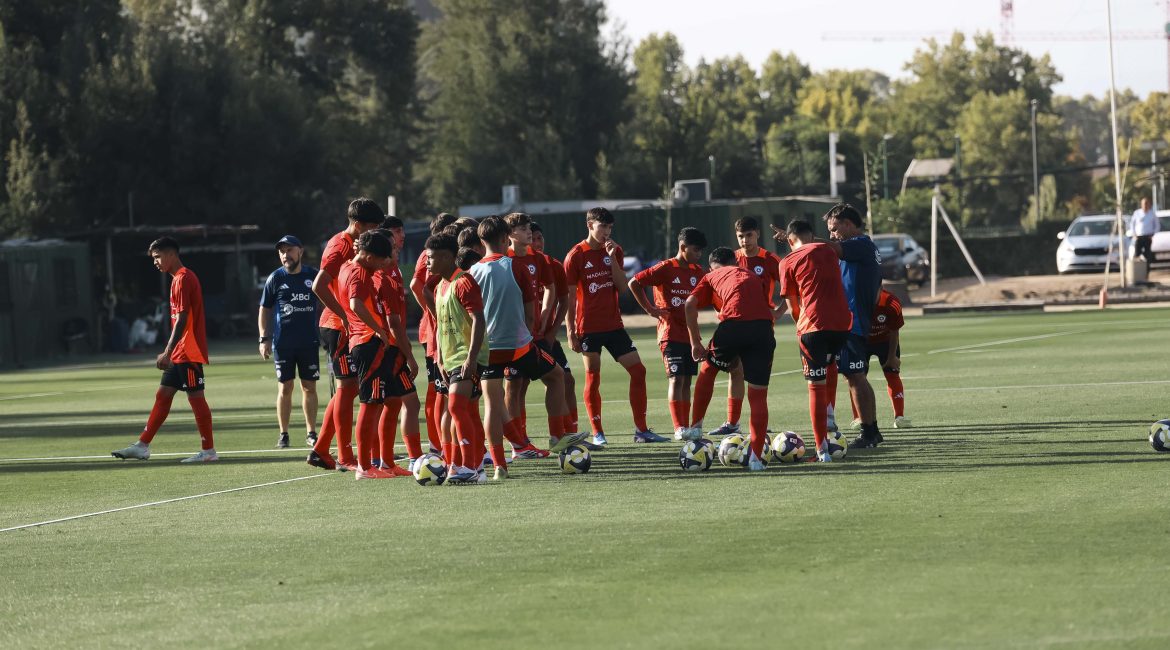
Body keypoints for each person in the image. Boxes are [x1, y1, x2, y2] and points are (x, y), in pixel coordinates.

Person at [471, 216, 579, 469]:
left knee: (492, 404)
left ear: (481, 241)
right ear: (504, 238)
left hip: (487, 348)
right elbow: (531, 311)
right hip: (518, 345)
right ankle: (556, 437)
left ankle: (500, 464)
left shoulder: (472, 272)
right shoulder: (515, 266)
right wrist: (530, 333)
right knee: (556, 376)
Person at [564, 207, 665, 444]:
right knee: (593, 376)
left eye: (610, 227)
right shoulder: (575, 255)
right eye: (603, 227)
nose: (607, 232)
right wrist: (570, 331)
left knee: (638, 371)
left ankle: (641, 431)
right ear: (590, 225)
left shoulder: (615, 251)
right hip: (588, 327)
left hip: (614, 325)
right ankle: (598, 433)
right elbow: (570, 297)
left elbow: (622, 288)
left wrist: (611, 259)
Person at [112, 237, 217, 463]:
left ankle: (208, 451)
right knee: (163, 395)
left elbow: (182, 319)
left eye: (158, 257)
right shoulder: (179, 279)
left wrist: (167, 352)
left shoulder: (183, 278)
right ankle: (142, 445)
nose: (155, 262)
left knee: (196, 398)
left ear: (171, 254)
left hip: (188, 351)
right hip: (180, 351)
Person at [307, 198, 384, 471]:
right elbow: (318, 285)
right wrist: (343, 315)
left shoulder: (356, 245)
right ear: (358, 224)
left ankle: (321, 450)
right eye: (372, 227)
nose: (375, 232)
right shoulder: (340, 246)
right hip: (337, 326)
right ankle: (344, 456)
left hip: (346, 325)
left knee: (348, 389)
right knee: (346, 388)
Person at [684, 247, 776, 471]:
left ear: (711, 267)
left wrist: (695, 342)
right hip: (764, 329)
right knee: (758, 394)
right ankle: (756, 460)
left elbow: (689, 304)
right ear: (736, 262)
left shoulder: (712, 275)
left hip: (734, 325)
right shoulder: (750, 274)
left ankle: (695, 428)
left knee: (708, 370)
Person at [777, 220, 853, 462]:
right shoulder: (828, 251)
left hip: (813, 326)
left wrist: (801, 327)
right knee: (830, 364)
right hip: (842, 325)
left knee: (815, 386)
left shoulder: (787, 261)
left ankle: (822, 450)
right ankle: (829, 416)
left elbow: (793, 306)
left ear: (790, 241)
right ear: (812, 235)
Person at [704, 217, 785, 438]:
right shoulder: (731, 259)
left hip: (760, 327)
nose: (744, 240)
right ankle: (732, 422)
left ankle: (758, 423)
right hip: (734, 324)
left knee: (756, 378)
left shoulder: (769, 259)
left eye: (749, 235)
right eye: (740, 236)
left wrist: (779, 311)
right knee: (735, 371)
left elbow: (790, 286)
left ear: (757, 234)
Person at [812, 203, 883, 449]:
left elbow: (832, 248)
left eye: (835, 229)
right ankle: (872, 430)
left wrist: (804, 239)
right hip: (851, 320)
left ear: (849, 224)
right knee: (855, 376)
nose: (832, 235)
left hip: (853, 321)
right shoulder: (857, 249)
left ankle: (869, 433)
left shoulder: (861, 244)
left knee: (855, 376)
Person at [337, 230, 407, 479]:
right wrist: (378, 330)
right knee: (370, 403)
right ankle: (365, 467)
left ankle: (386, 463)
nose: (383, 264)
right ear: (368, 256)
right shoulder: (358, 272)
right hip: (367, 344)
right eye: (381, 259)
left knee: (392, 400)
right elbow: (355, 304)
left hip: (371, 343)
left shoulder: (350, 268)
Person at [629, 227, 708, 441]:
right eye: (696, 250)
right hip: (670, 333)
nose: (699, 254)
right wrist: (650, 309)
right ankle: (678, 427)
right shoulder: (665, 268)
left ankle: (687, 426)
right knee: (676, 378)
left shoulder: (698, 271)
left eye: (701, 251)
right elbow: (634, 282)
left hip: (690, 335)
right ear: (683, 247)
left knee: (687, 381)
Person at [428, 234, 493, 481]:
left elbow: (479, 319)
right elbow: (439, 324)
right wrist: (439, 357)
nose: (427, 262)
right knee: (469, 411)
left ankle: (468, 467)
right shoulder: (440, 286)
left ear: (446, 257)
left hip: (468, 357)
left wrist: (471, 358)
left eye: (431, 258)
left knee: (455, 406)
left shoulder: (464, 282)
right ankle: (476, 467)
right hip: (450, 359)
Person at [258, 235, 320, 449]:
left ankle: (311, 433)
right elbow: (264, 308)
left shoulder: (313, 276)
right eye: (282, 251)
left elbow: (329, 300)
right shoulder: (275, 278)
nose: (286, 255)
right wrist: (264, 338)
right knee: (285, 387)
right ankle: (283, 434)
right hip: (283, 343)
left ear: (300, 251)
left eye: (290, 250)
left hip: (308, 341)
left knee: (309, 387)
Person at [373, 217, 425, 466]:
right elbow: (393, 323)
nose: (399, 242)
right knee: (388, 404)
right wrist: (410, 356)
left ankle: (389, 459)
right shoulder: (384, 277)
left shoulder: (391, 272)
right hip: (390, 350)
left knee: (397, 403)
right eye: (395, 235)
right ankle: (379, 459)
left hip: (393, 348)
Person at [410, 213, 459, 460]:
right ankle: (438, 445)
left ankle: (443, 444)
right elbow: (417, 286)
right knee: (438, 390)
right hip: (435, 333)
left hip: (443, 332)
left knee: (443, 390)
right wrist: (435, 312)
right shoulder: (431, 256)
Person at [530, 221, 580, 442]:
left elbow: (564, 300)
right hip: (522, 338)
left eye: (539, 237)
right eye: (532, 238)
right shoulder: (513, 263)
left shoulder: (554, 265)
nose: (537, 242)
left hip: (546, 338)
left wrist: (552, 332)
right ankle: (518, 442)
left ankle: (570, 433)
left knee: (566, 380)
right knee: (517, 387)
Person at [864, 288, 911, 428]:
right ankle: (859, 418)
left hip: (886, 342)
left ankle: (899, 417)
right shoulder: (856, 299)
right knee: (856, 378)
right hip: (862, 342)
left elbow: (894, 331)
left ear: (879, 287)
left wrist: (892, 357)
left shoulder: (891, 302)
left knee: (893, 375)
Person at [1132, 197, 1159, 264]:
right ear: (1141, 204)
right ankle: (1138, 268)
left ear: (1149, 204)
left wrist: (1153, 234)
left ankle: (1147, 268)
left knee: (1147, 254)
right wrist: (1134, 234)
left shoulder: (1152, 214)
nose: (1145, 205)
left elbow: (1157, 225)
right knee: (1137, 253)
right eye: (1144, 203)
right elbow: (1132, 224)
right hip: (1139, 237)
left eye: (1147, 203)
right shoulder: (1137, 213)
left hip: (1148, 236)